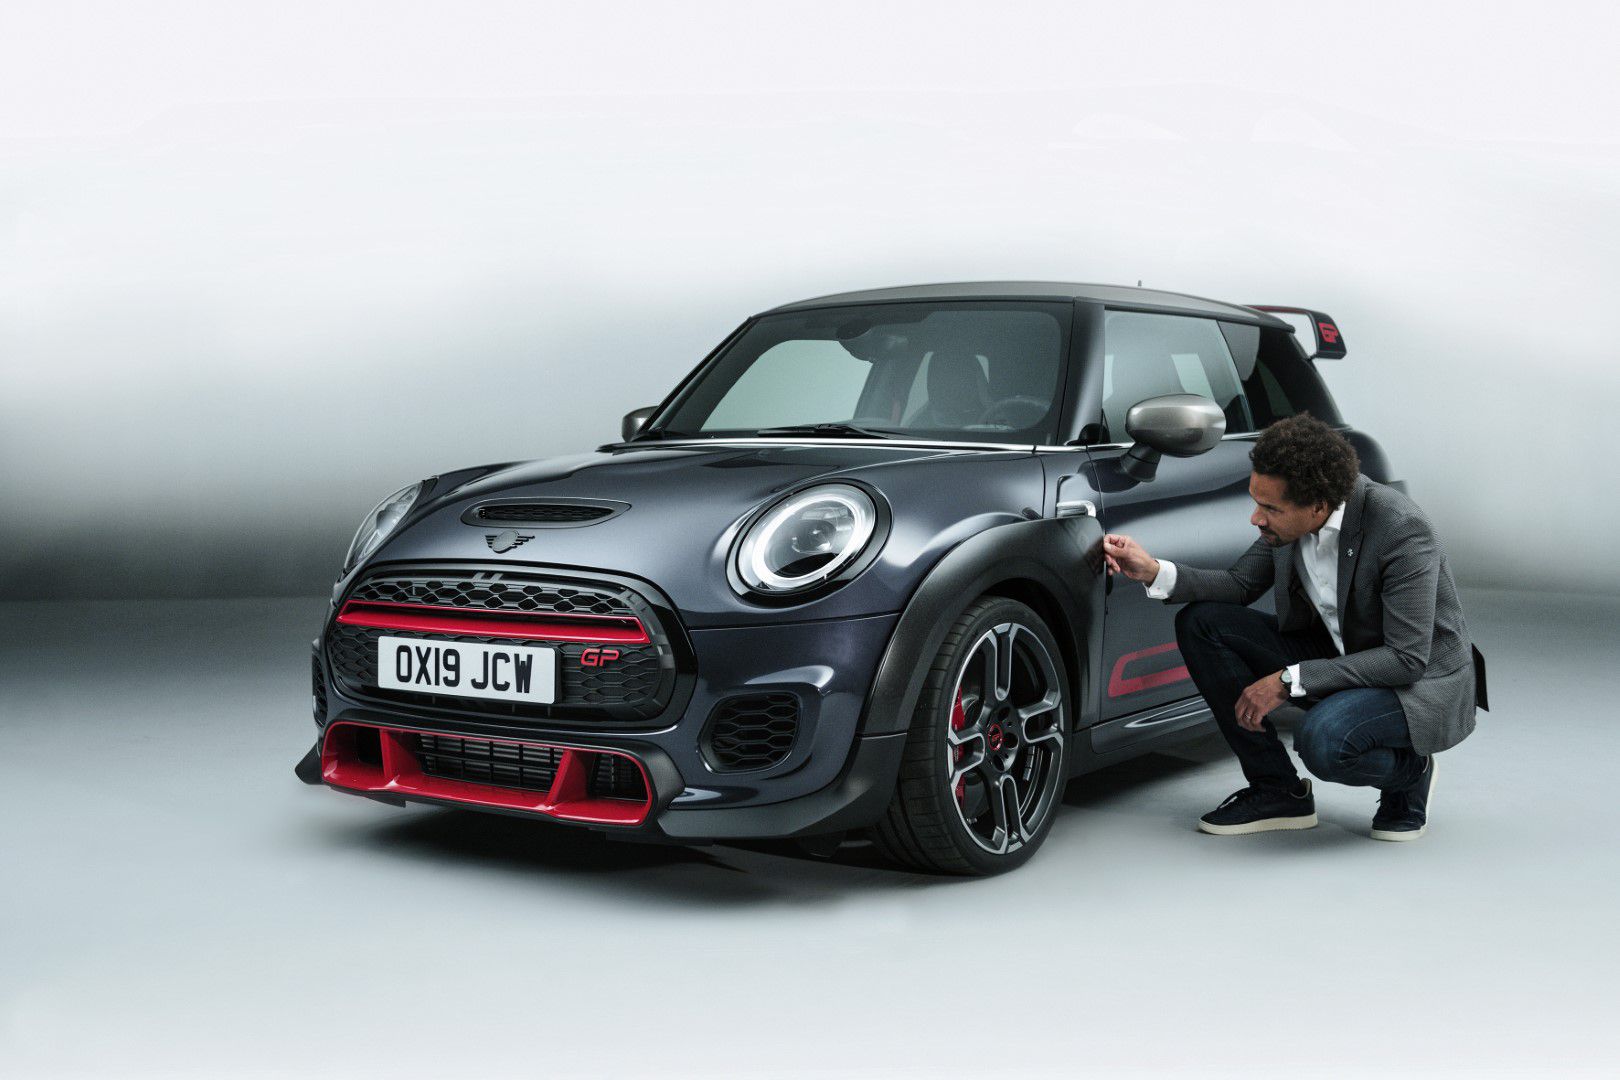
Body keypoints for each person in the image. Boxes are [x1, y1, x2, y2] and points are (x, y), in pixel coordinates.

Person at [1101, 414, 1486, 841]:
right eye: (1256, 502)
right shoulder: (1292, 522)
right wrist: (1152, 570)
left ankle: (1410, 771)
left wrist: (1289, 680)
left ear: (1318, 506)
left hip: (1416, 681)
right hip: (1342, 653)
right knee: (1203, 623)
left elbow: (1406, 659)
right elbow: (1240, 584)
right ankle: (1277, 789)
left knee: (1321, 741)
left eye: (1270, 509)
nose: (1256, 519)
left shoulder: (1400, 528)